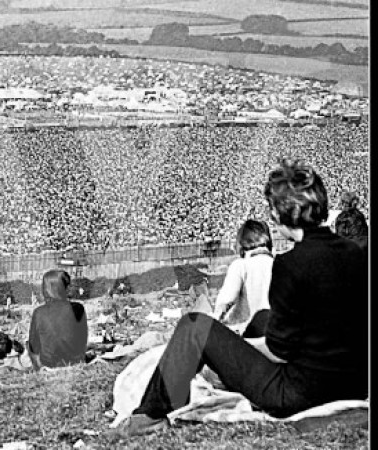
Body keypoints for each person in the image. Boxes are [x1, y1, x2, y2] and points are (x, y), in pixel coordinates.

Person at [118, 160, 368, 436]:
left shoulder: (290, 264)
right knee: (263, 317)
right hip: (354, 382)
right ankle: (232, 372)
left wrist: (231, 349)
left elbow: (278, 351)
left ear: (277, 213)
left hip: (299, 393)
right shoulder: (355, 253)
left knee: (194, 328)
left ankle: (148, 417)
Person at [210, 220, 273, 338]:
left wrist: (214, 320)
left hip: (246, 336)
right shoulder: (278, 265)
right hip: (272, 338)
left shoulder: (241, 265)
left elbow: (226, 302)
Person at [27, 270, 88, 370]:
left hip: (49, 367)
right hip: (76, 365)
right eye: (69, 285)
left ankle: (38, 371)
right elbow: (83, 341)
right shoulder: (78, 308)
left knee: (28, 344)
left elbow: (34, 347)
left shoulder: (38, 312)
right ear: (66, 288)